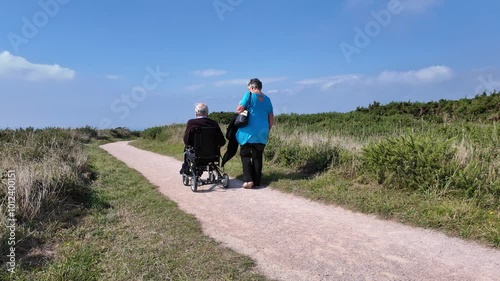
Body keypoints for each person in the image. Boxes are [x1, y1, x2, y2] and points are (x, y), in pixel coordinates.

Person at [235, 78, 274, 188]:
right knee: (258, 156)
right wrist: (267, 130)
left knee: (245, 155)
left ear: (252, 87)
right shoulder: (268, 99)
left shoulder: (249, 95)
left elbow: (239, 110)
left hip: (248, 131)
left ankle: (248, 180)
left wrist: (239, 106)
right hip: (262, 131)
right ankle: (257, 181)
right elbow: (271, 118)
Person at [180, 103, 225, 174]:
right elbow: (222, 141)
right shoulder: (214, 124)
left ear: (196, 113)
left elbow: (186, 141)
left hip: (197, 154)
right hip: (213, 154)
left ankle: (185, 168)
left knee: (186, 149)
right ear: (207, 112)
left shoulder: (191, 123)